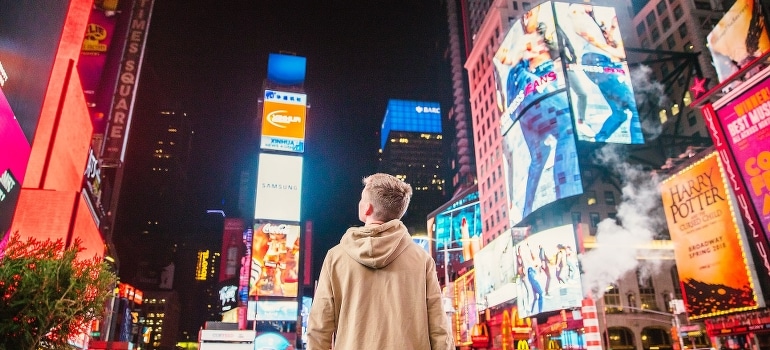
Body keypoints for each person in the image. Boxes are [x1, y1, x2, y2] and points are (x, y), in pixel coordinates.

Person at [307, 173, 454, 350]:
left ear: (367, 208)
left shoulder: (336, 257)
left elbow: (319, 328)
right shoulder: (422, 260)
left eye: (362, 198)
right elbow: (439, 330)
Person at [567, 4, 640, 142]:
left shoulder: (589, 18)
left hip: (599, 62)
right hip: (596, 61)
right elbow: (584, 34)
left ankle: (598, 141)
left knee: (619, 114)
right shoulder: (575, 9)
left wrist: (612, 27)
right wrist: (614, 51)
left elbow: (600, 39)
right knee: (634, 106)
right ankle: (638, 143)